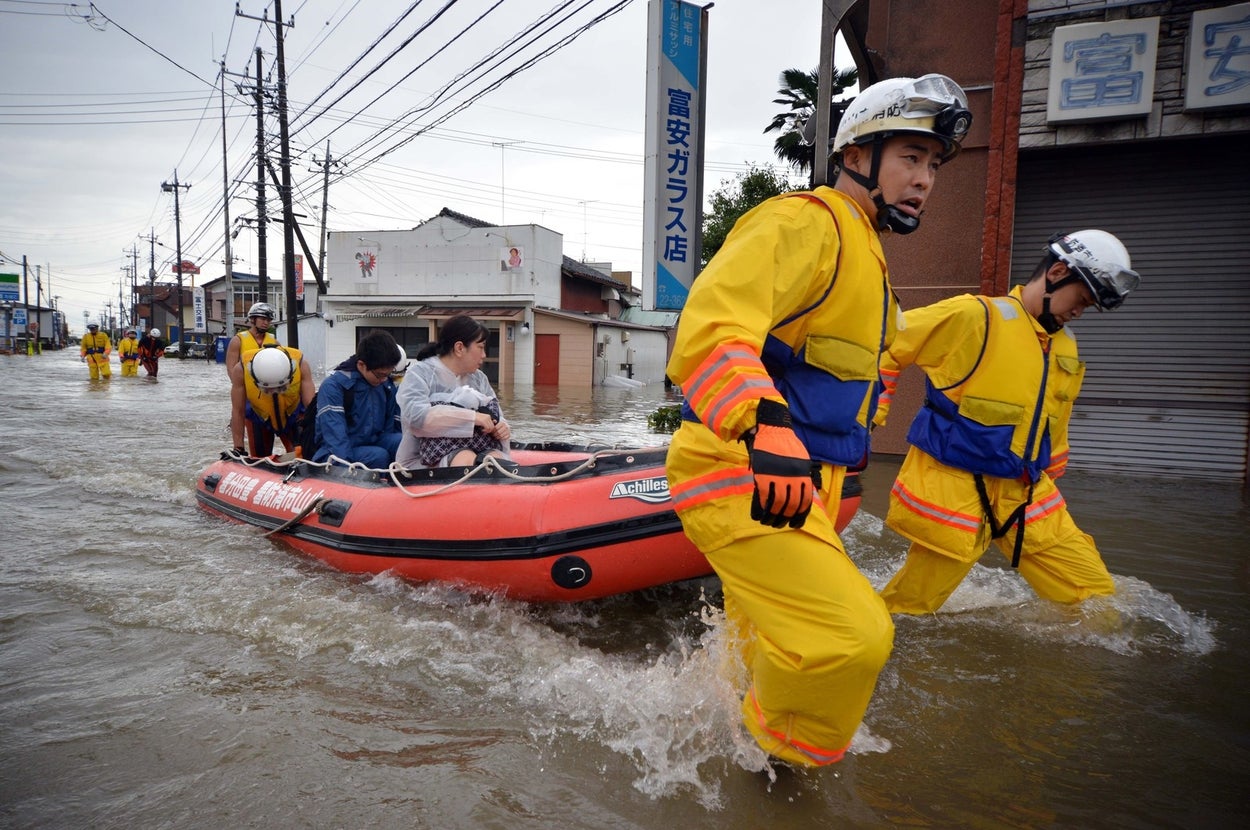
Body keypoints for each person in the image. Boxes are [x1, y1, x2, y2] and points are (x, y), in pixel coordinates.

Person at [663, 74, 973, 768]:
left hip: (806, 480)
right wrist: (764, 422)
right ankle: (779, 773)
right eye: (911, 157)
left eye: (933, 165)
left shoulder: (868, 257)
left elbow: (862, 375)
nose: (925, 180)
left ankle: (726, 744)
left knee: (765, 643)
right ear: (856, 155)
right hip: (743, 466)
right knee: (853, 636)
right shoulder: (805, 223)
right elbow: (711, 330)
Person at [873, 230, 1140, 614]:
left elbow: (1055, 417)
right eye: (1081, 299)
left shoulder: (1064, 344)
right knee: (910, 609)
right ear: (1057, 272)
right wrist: (864, 422)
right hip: (958, 490)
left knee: (1098, 601)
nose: (1079, 312)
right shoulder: (975, 317)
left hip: (1027, 491)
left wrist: (1052, 470)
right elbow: (883, 344)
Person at [396, 315, 513, 469]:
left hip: (477, 448)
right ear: (459, 348)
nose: (484, 355)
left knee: (495, 459)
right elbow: (416, 417)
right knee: (464, 458)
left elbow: (496, 413)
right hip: (423, 459)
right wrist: (473, 418)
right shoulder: (420, 374)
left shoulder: (479, 378)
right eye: (480, 347)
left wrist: (502, 427)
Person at [312, 330, 403, 467]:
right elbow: (335, 438)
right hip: (335, 452)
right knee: (378, 456)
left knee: (403, 443)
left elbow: (391, 429)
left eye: (388, 374)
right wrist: (347, 470)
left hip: (373, 441)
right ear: (361, 365)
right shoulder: (334, 386)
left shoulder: (386, 386)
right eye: (380, 375)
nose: (384, 379)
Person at [231, 343, 316, 457]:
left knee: (303, 454)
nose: (274, 392)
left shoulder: (301, 364)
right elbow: (238, 411)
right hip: (259, 415)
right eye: (268, 390)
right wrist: (238, 448)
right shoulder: (241, 369)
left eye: (281, 388)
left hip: (293, 414)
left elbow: (311, 408)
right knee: (259, 458)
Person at [227, 302, 279, 449]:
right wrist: (243, 389)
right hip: (246, 392)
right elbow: (231, 369)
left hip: (269, 392)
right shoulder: (238, 340)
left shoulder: (274, 341)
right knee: (240, 414)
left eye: (268, 320)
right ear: (252, 319)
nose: (266, 322)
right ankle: (238, 448)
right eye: (262, 319)